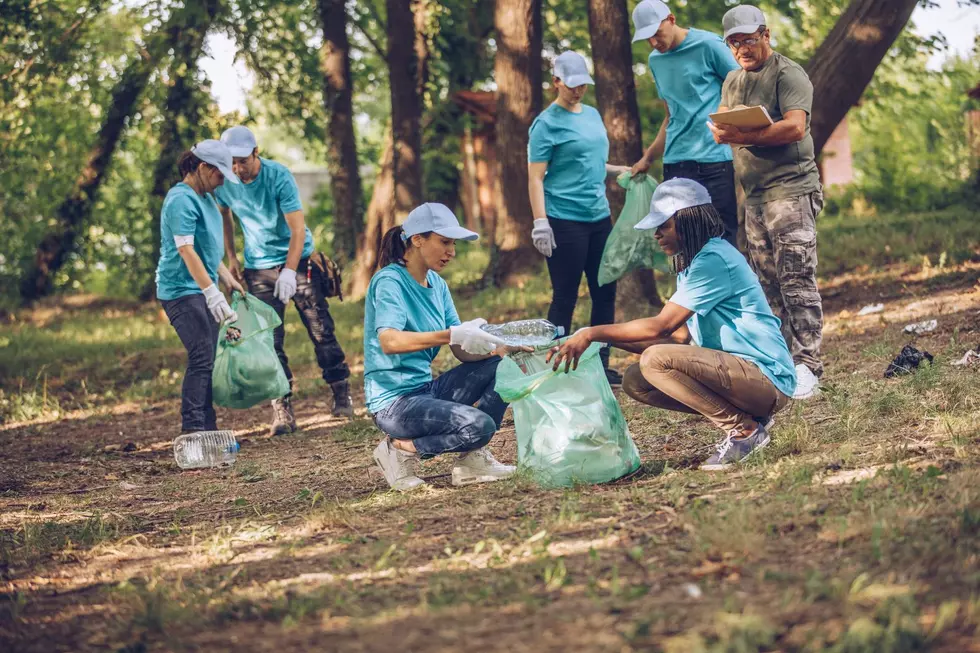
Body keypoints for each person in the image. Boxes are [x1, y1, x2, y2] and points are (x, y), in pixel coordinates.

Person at [549, 179, 796, 470]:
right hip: (744, 378)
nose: (656, 235)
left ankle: (744, 431)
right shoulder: (691, 266)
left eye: (663, 226)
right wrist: (604, 339)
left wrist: (591, 332)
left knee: (654, 361)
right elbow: (678, 337)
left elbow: (661, 327)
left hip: (767, 380)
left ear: (687, 220)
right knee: (636, 381)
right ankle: (748, 421)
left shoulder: (714, 259)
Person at [707, 5, 824, 399]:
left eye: (748, 39)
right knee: (765, 286)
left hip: (791, 192)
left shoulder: (788, 73)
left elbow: (795, 126)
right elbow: (723, 120)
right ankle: (781, 364)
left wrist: (743, 136)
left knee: (796, 281)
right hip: (754, 198)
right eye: (734, 41)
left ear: (766, 35)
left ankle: (809, 367)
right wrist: (723, 130)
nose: (742, 47)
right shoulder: (733, 80)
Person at [365, 203, 524, 492]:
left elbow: (460, 348)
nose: (452, 251)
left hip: (426, 391)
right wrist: (452, 333)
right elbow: (390, 341)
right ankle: (401, 448)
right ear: (417, 239)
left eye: (453, 244)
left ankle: (471, 462)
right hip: (393, 404)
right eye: (445, 242)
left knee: (505, 367)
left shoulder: (436, 284)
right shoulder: (389, 281)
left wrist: (498, 347)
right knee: (480, 426)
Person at [216, 125, 353, 435]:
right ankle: (282, 409)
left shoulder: (278, 176)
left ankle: (340, 391)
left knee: (320, 329)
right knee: (269, 340)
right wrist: (232, 256)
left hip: (298, 260)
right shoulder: (225, 180)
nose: (237, 168)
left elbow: (298, 229)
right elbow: (224, 214)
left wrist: (290, 270)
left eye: (242, 160)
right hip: (258, 268)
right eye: (231, 162)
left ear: (256, 153)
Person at [528, 51, 632, 386]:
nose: (577, 91)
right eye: (571, 85)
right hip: (564, 219)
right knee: (565, 296)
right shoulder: (545, 124)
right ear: (556, 82)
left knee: (605, 293)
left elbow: (589, 163)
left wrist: (619, 170)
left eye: (582, 85)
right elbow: (536, 177)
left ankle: (601, 364)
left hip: (599, 217)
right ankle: (554, 366)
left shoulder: (591, 114)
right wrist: (540, 222)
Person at [628, 0, 741, 245]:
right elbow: (672, 116)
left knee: (721, 240)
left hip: (714, 162)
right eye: (647, 39)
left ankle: (726, 285)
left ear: (671, 19)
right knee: (683, 243)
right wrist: (648, 158)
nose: (654, 43)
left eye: (657, 34)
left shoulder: (708, 45)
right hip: (675, 165)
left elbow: (743, 87)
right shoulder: (655, 61)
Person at [156, 140, 245, 436]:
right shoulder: (181, 199)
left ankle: (209, 429)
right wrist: (211, 291)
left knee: (209, 357)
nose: (221, 181)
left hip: (200, 285)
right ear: (203, 168)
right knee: (202, 355)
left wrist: (225, 276)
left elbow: (206, 250)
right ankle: (193, 432)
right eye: (219, 174)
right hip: (180, 290)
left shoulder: (207, 197)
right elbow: (186, 250)